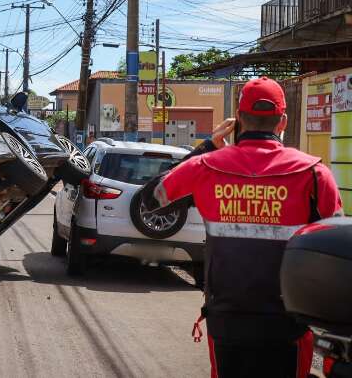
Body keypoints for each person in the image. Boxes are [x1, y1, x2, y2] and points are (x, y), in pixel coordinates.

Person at [140, 77, 343, 378]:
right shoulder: (314, 173)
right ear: (283, 121)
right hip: (288, 324)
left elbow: (150, 199)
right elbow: (335, 248)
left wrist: (207, 146)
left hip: (226, 321)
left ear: (238, 120)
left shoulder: (206, 167)